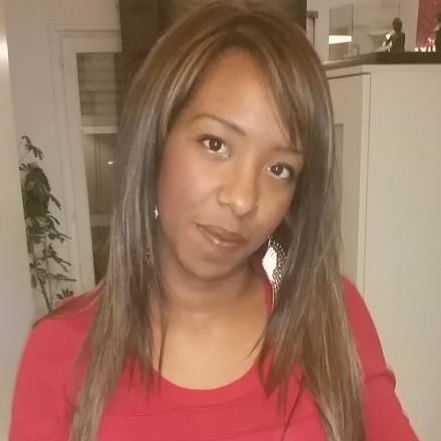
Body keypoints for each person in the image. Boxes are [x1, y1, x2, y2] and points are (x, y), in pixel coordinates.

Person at [9, 2, 419, 441]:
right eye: (215, 144)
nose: (242, 199)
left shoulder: (331, 317)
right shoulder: (61, 352)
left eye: (279, 169)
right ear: (155, 140)